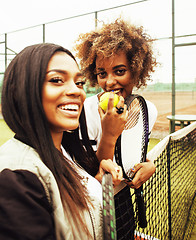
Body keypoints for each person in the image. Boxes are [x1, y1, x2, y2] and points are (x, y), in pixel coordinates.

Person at [0, 43, 123, 240]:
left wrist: (95, 182)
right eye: (57, 80)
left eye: (79, 82)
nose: (76, 91)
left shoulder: (65, 151)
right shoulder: (16, 178)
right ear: (21, 90)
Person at [74, 18, 158, 239]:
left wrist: (149, 165)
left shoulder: (148, 110)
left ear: (137, 70)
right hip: (90, 207)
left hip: (122, 202)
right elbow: (93, 175)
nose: (109, 82)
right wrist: (109, 133)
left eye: (119, 71)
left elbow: (132, 152)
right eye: (102, 73)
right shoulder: (85, 111)